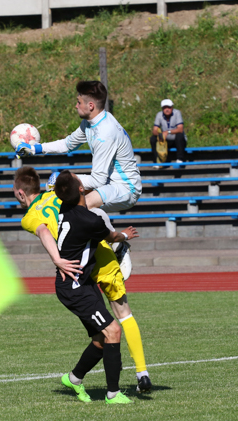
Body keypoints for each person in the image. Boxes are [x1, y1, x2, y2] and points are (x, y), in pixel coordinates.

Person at [13, 166, 152, 393]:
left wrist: (57, 260)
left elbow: (44, 232)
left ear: (20, 193)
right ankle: (141, 373)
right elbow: (88, 202)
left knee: (104, 332)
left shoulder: (29, 217)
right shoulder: (56, 193)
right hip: (99, 253)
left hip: (76, 267)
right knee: (123, 314)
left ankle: (103, 382)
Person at [51, 170, 138, 404]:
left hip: (82, 282)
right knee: (113, 331)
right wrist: (125, 234)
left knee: (101, 339)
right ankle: (113, 394)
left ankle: (74, 378)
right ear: (81, 189)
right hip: (74, 287)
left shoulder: (65, 207)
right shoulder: (90, 220)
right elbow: (112, 237)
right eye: (79, 180)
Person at [14, 80, 142, 213]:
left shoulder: (105, 135)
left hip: (126, 188)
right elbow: (68, 144)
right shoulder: (91, 123)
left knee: (81, 207)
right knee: (64, 202)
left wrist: (66, 179)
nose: (76, 106)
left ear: (90, 106)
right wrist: (35, 149)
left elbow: (97, 181)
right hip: (108, 184)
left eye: (79, 102)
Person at [151, 99, 187, 165]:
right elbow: (154, 130)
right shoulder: (159, 115)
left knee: (179, 135)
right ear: (162, 108)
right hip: (166, 141)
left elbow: (180, 129)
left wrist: (168, 132)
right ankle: (158, 160)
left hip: (178, 141)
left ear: (172, 107)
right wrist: (160, 134)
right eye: (165, 108)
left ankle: (180, 159)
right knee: (153, 139)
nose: (167, 109)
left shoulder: (177, 113)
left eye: (169, 107)